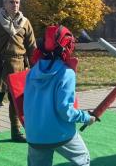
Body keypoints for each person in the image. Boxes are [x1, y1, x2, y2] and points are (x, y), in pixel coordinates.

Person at [24, 25, 96, 166]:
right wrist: (86, 117)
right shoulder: (66, 73)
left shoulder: (32, 72)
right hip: (60, 134)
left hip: (35, 135)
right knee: (83, 159)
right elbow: (65, 110)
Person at [0, 0, 36, 153]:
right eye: (11, 2)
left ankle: (16, 132)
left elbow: (32, 47)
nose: (15, 5)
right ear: (4, 4)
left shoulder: (25, 22)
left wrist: (37, 66)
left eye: (17, 2)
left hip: (19, 67)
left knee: (17, 102)